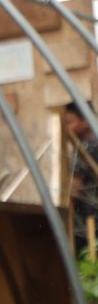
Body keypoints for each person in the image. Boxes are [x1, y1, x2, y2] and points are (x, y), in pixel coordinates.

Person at [63, 100, 98, 255]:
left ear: (84, 122)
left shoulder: (85, 149)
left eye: (69, 122)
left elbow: (74, 189)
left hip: (88, 223)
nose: (66, 128)